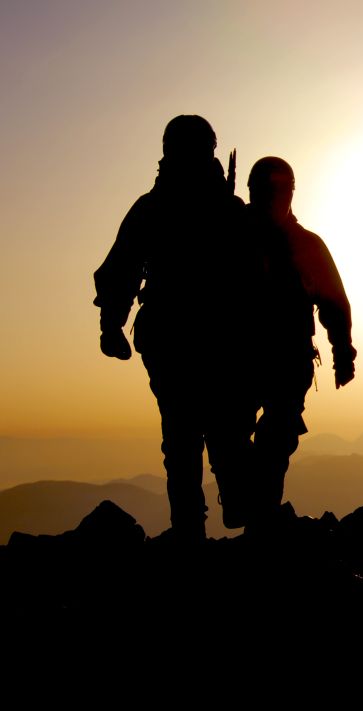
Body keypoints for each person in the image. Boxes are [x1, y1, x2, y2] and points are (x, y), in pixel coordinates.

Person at [93, 115, 255, 540]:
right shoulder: (225, 210)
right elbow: (121, 272)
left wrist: (112, 326)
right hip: (214, 340)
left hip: (180, 339)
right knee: (217, 433)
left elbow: (119, 272)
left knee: (186, 438)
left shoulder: (155, 208)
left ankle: (193, 531)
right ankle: (222, 520)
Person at [245, 156, 356, 527]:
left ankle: (258, 517)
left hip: (273, 361)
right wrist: (342, 354)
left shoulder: (297, 244)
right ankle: (256, 514)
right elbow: (334, 303)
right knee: (257, 443)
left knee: (273, 441)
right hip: (247, 360)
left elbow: (333, 302)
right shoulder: (231, 235)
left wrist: (343, 353)